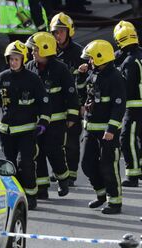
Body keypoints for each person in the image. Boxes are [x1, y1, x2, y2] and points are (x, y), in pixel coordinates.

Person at [0, 41, 51, 210]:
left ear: (23, 59)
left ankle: (31, 195)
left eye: (17, 59)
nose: (13, 62)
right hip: (6, 132)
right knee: (9, 166)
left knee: (26, 163)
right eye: (11, 59)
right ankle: (15, 196)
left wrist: (43, 121)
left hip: (27, 131)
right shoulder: (1, 78)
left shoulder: (33, 79)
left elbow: (44, 102)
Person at [25, 32, 78, 198]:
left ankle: (63, 178)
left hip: (56, 121)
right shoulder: (30, 67)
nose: (32, 52)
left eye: (35, 49)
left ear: (45, 49)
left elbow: (71, 94)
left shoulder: (60, 69)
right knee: (37, 153)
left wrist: (72, 117)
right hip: (37, 121)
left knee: (54, 151)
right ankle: (42, 188)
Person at [79, 39, 126, 214]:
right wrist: (81, 75)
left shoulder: (115, 77)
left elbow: (119, 106)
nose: (89, 62)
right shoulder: (93, 74)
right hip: (90, 128)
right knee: (86, 164)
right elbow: (83, 93)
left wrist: (111, 129)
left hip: (107, 132)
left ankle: (115, 201)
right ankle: (101, 194)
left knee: (108, 165)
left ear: (100, 57)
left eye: (91, 58)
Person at [112, 21, 142, 187]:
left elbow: (124, 86)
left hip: (132, 107)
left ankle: (133, 174)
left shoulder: (127, 61)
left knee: (127, 139)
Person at [50, 12, 86, 187]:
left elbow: (89, 81)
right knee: (56, 142)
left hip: (74, 105)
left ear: (69, 32)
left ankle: (71, 174)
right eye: (55, 32)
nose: (58, 35)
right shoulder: (49, 51)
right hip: (55, 105)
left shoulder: (80, 53)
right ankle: (59, 171)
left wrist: (83, 103)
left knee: (72, 142)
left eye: (61, 31)